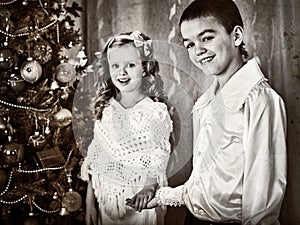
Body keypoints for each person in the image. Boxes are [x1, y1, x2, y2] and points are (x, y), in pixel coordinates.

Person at [127, 0, 287, 224]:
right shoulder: (205, 103)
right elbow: (205, 186)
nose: (198, 51)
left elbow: (262, 199)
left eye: (207, 38)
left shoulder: (260, 101)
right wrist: (162, 196)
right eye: (190, 44)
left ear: (237, 36)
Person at [80, 31, 173, 225]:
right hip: (107, 199)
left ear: (145, 68)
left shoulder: (154, 111)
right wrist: (90, 202)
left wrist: (148, 188)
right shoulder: (106, 107)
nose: (122, 73)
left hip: (139, 199)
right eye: (115, 66)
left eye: (130, 65)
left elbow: (158, 155)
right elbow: (97, 157)